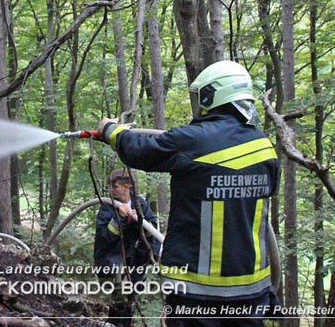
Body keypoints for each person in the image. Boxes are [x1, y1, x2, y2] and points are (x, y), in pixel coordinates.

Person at [99, 60, 281, 327]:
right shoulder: (264, 147)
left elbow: (140, 150)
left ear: (210, 95)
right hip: (251, 294)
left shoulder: (195, 140)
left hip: (196, 294)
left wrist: (110, 131)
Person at [94, 169, 161, 327]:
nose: (111, 190)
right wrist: (120, 218)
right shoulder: (107, 207)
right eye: (110, 186)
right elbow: (105, 237)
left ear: (126, 186)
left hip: (135, 262)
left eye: (114, 186)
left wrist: (138, 219)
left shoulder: (140, 204)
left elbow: (152, 231)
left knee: (130, 299)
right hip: (111, 262)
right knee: (120, 300)